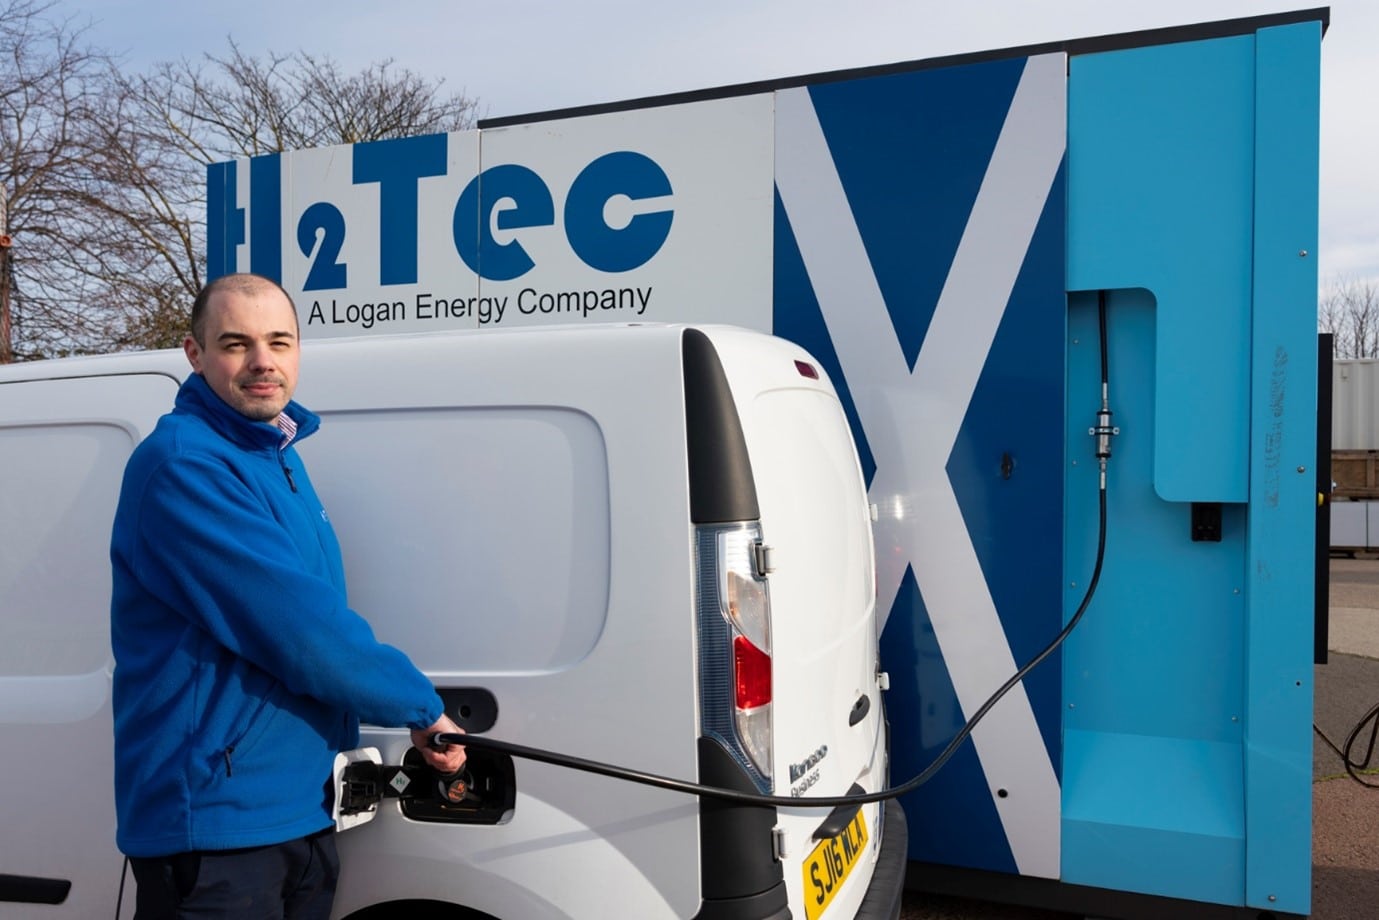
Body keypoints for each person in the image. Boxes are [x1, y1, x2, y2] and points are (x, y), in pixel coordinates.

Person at [110, 272, 465, 919]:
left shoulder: (276, 454)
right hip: (218, 823)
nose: (262, 361)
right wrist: (418, 706)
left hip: (298, 805)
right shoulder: (185, 464)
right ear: (194, 353)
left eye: (279, 341)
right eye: (235, 343)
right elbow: (301, 629)